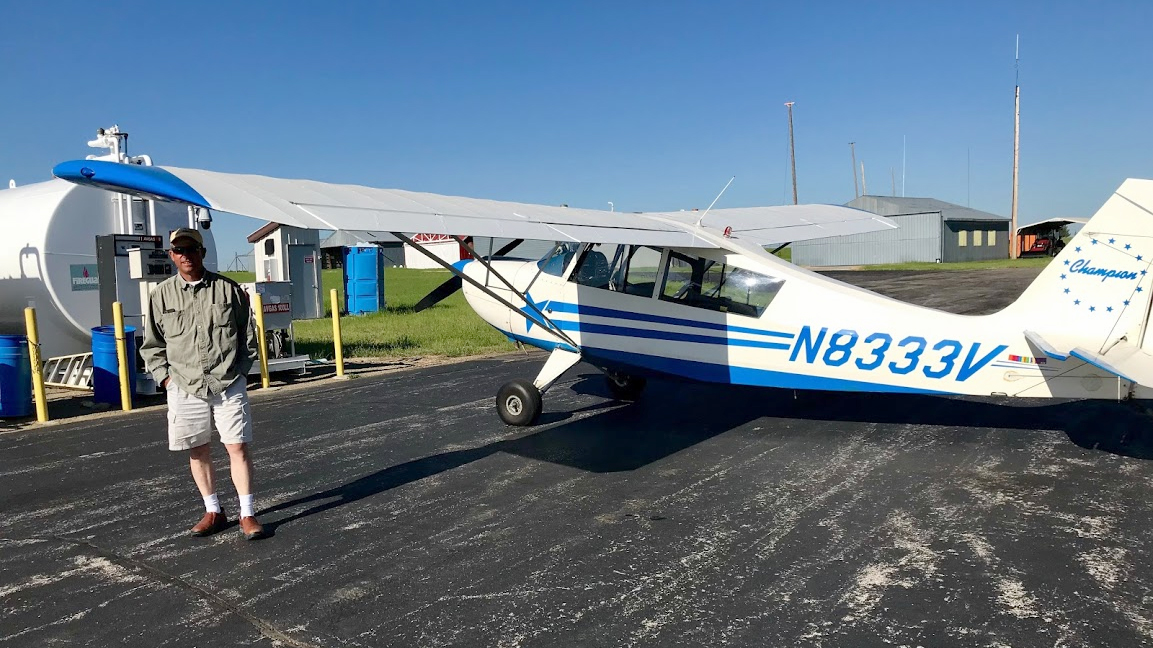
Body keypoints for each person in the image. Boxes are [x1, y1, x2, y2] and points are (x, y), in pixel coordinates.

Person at [141, 228, 265, 540]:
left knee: (236, 446)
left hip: (227, 381)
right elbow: (152, 345)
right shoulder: (161, 296)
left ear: (202, 252)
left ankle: (247, 514)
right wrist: (166, 379)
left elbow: (247, 336)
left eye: (191, 249)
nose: (186, 255)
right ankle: (213, 510)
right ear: (171, 255)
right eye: (179, 250)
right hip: (184, 384)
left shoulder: (228, 290)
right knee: (197, 449)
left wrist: (240, 373)